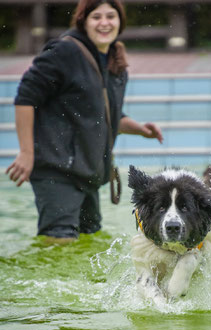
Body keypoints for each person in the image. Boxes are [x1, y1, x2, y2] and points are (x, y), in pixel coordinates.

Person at [6, 0, 163, 243]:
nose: (104, 23)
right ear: (83, 21)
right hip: (56, 170)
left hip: (87, 172)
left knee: (90, 239)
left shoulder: (113, 59)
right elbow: (25, 98)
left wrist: (140, 130)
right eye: (96, 17)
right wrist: (26, 152)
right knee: (59, 240)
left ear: (120, 21)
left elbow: (105, 115)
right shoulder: (64, 51)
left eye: (111, 16)